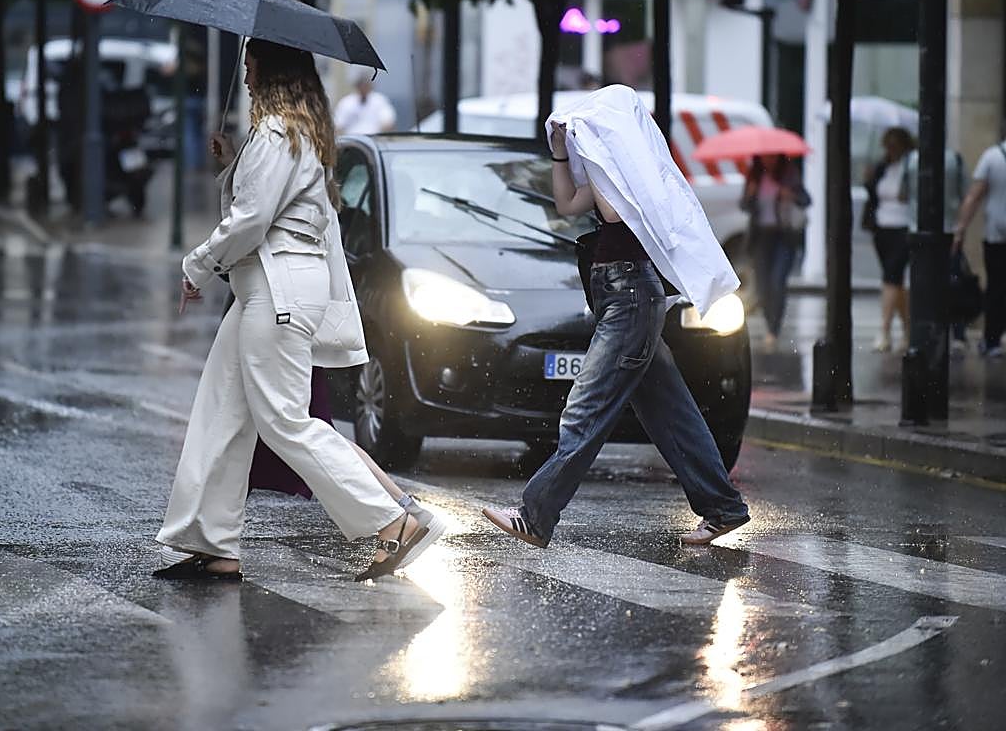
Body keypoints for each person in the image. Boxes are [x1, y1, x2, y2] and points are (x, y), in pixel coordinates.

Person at [155, 39, 444, 581]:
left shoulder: (276, 132)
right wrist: (231, 164)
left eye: (249, 63)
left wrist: (195, 265)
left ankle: (392, 521)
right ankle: (214, 543)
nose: (245, 73)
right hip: (276, 283)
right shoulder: (301, 132)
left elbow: (251, 221)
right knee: (225, 407)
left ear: (270, 68)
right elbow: (265, 205)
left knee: (285, 420)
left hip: (276, 285)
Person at [482, 85, 750, 549]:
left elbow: (611, 206)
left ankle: (535, 514)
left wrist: (597, 148)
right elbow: (566, 206)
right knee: (670, 411)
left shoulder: (634, 173)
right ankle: (722, 506)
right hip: (621, 297)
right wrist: (562, 153)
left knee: (585, 408)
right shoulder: (614, 171)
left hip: (630, 299)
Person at [740, 153, 810, 352]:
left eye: (771, 157)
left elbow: (806, 200)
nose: (767, 160)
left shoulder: (789, 175)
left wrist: (791, 195)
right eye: (764, 158)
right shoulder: (755, 176)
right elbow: (744, 206)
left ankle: (774, 329)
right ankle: (769, 322)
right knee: (763, 286)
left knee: (777, 281)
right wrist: (750, 195)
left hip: (783, 236)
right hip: (762, 237)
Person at [903, 146, 967, 351]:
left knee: (920, 284)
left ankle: (921, 331)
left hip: (917, 229)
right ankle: (957, 332)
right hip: (950, 229)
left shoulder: (910, 160)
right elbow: (965, 194)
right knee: (952, 283)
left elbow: (902, 193)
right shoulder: (955, 160)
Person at [953, 119, 1006, 359]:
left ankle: (992, 339)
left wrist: (961, 228)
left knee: (996, 286)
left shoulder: (993, 157)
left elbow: (974, 197)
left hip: (997, 234)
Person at [864, 127, 915, 352]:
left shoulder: (911, 167)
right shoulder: (882, 168)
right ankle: (907, 328)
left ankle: (884, 331)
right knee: (896, 283)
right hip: (882, 228)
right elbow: (873, 195)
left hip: (903, 227)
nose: (891, 149)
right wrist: (868, 178)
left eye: (895, 145)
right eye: (888, 145)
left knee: (890, 278)